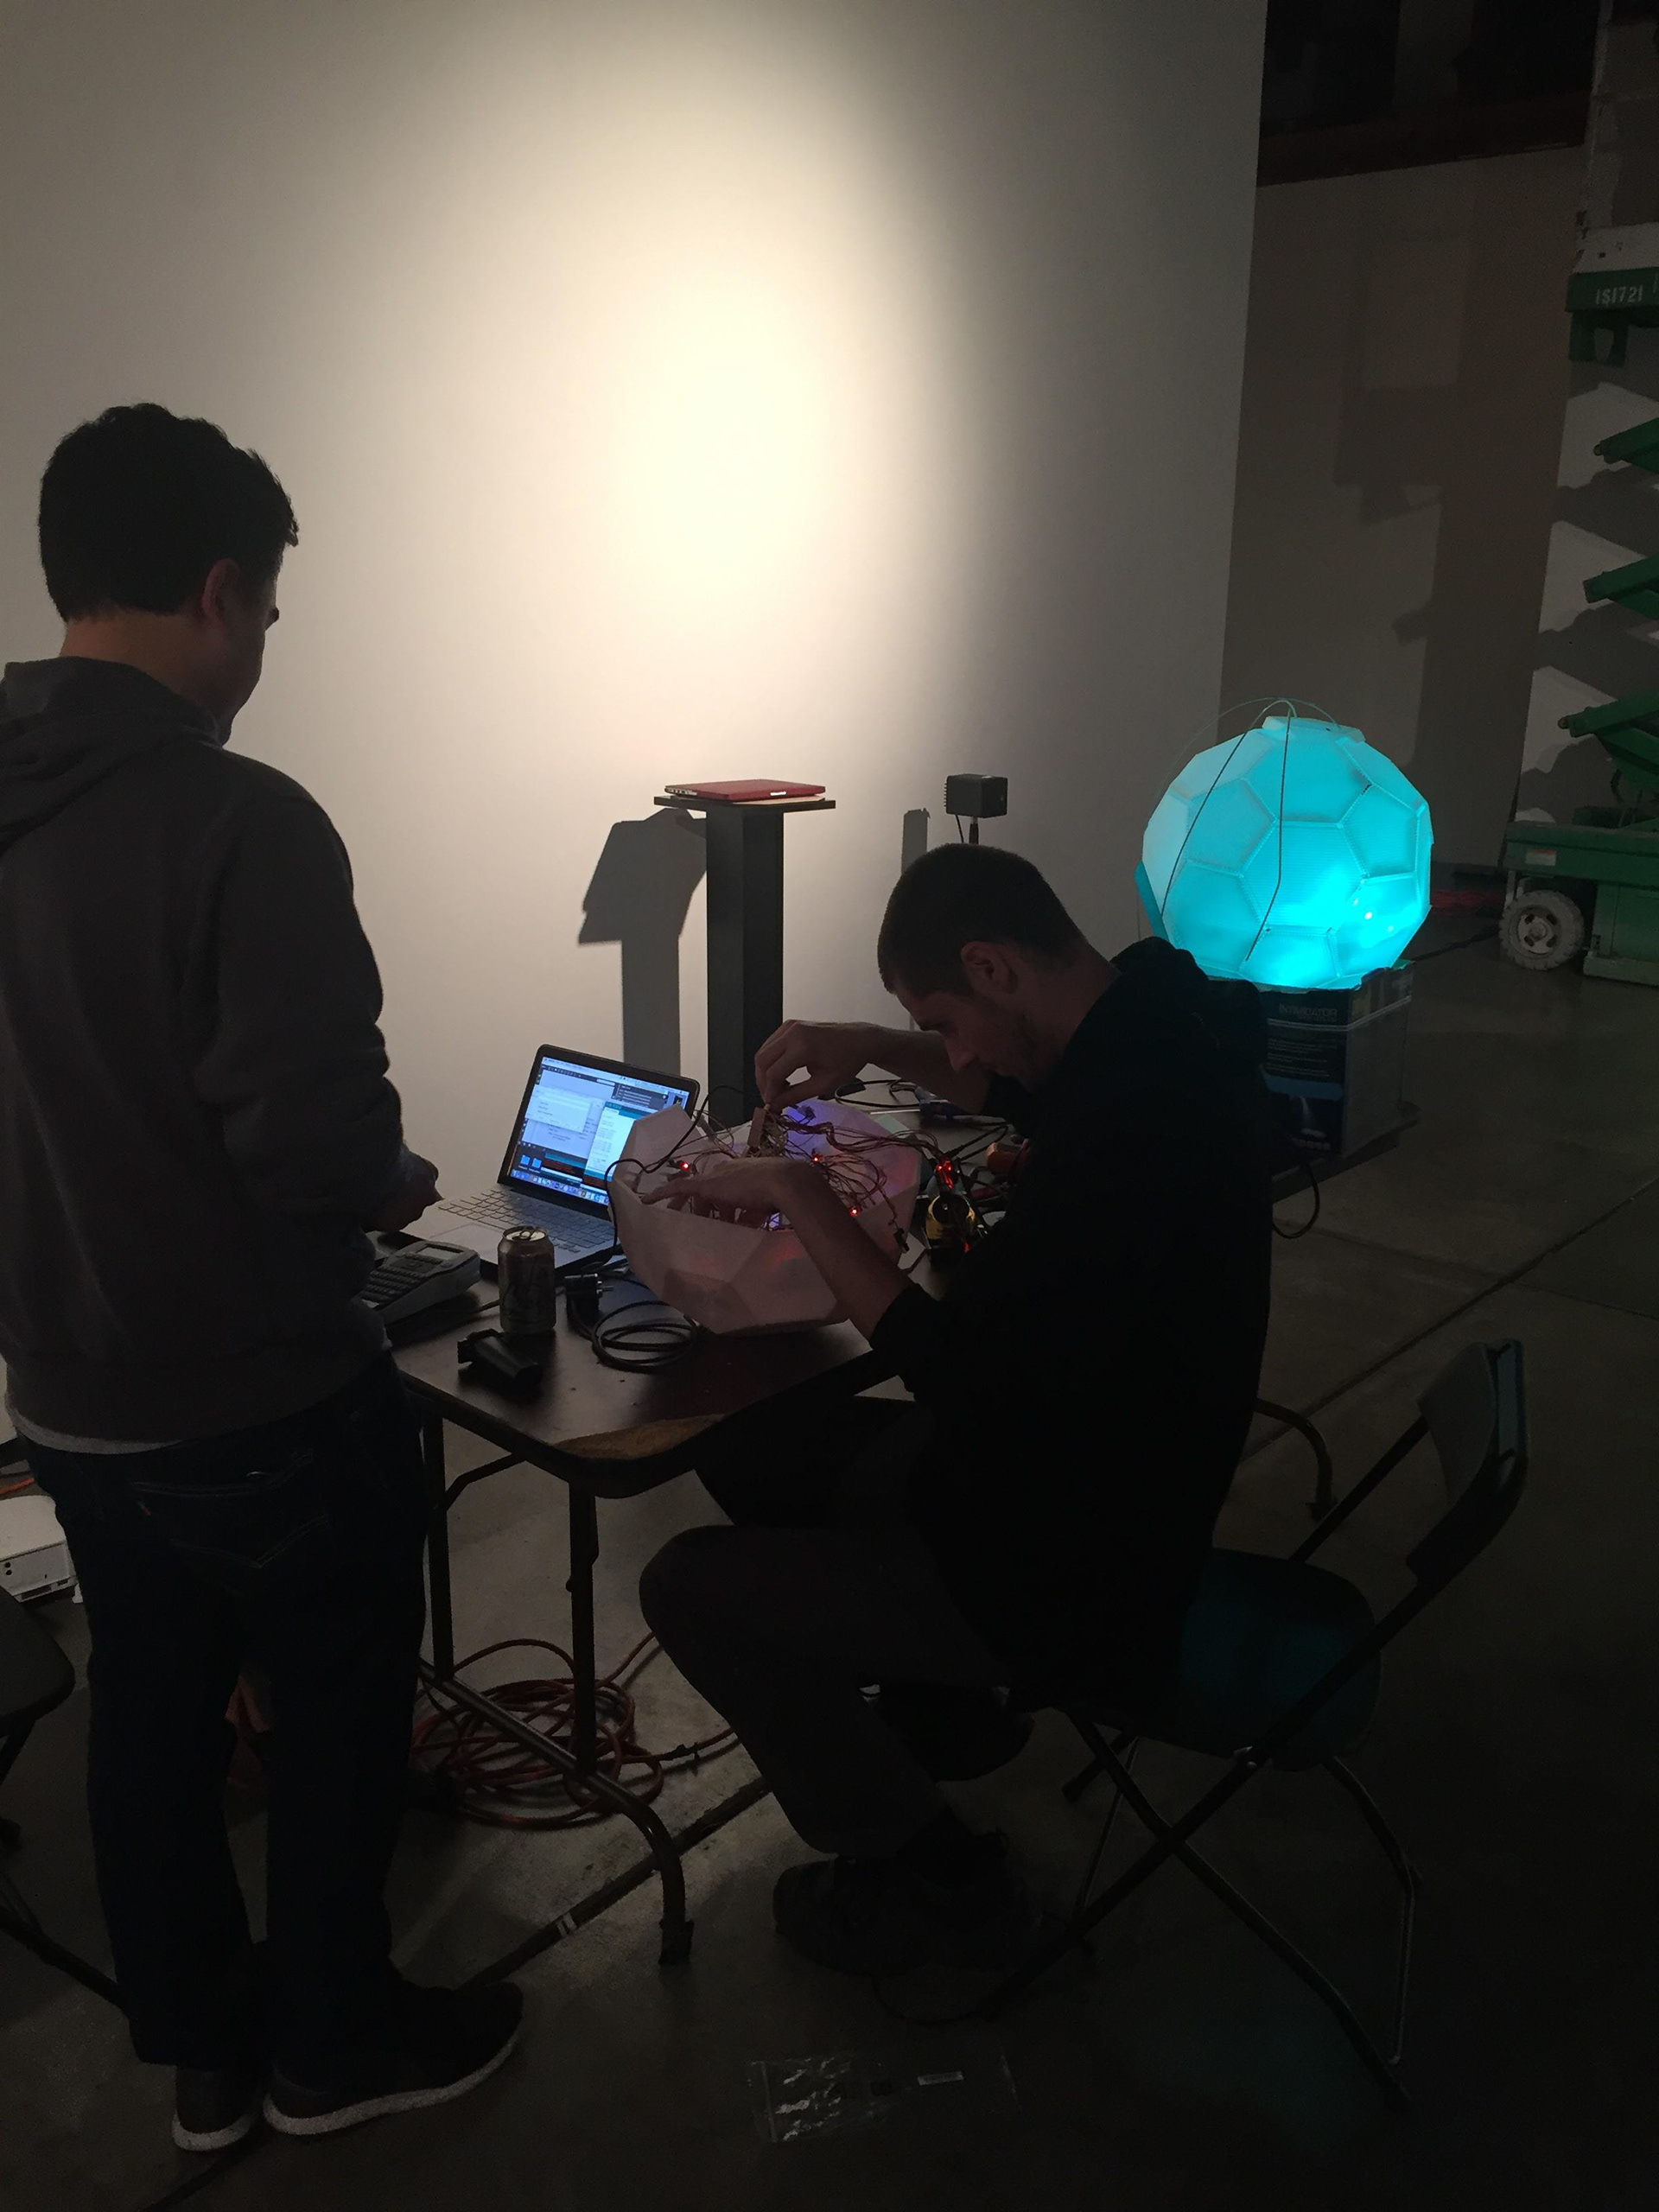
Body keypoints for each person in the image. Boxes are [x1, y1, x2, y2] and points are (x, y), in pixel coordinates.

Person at [0, 405, 520, 2150]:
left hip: (66, 1400)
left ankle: (207, 2062)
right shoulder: (239, 819)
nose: (265, 651)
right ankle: (332, 2044)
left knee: (148, 1714)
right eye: (273, 614)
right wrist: (394, 1182)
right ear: (221, 591)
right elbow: (306, 1138)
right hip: (262, 1392)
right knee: (340, 1709)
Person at [639, 843, 1272, 1977]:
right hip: (1080, 1469)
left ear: (991, 965)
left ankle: (929, 1875)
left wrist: (798, 1195)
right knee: (758, 1446)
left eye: (945, 1020)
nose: (954, 1053)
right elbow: (1017, 1081)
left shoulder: (1136, 1135)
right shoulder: (1152, 1014)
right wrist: (874, 1043)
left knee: (688, 1585)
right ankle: (948, 1713)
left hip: (1079, 1571)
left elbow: (959, 1376)